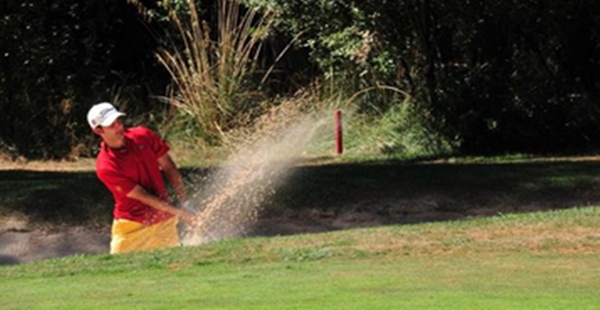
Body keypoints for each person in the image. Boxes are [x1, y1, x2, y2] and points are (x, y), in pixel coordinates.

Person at [87, 102, 196, 254]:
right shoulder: (106, 166)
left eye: (119, 121)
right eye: (111, 125)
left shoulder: (143, 136)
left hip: (164, 221)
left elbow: (169, 167)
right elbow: (143, 196)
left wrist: (186, 202)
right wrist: (182, 214)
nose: (119, 127)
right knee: (119, 272)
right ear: (98, 130)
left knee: (171, 269)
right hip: (131, 226)